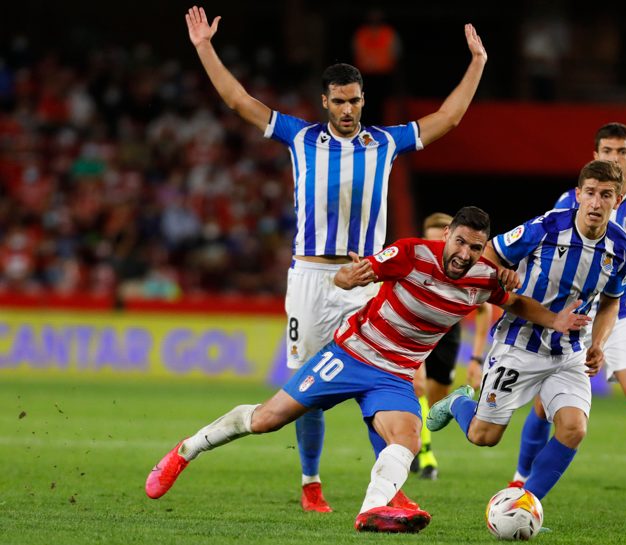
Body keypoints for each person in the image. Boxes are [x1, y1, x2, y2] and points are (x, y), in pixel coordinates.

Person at [183, 6, 488, 513]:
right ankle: (310, 481)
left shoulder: (384, 143)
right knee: (304, 388)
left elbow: (449, 118)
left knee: (389, 379)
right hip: (310, 277)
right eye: (340, 101)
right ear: (325, 102)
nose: (349, 110)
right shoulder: (300, 137)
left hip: (367, 277)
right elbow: (238, 100)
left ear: (364, 100)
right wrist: (203, 47)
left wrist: (476, 61)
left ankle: (392, 491)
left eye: (356, 101)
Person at [144, 206, 591, 533]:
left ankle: (373, 509)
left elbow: (515, 302)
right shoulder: (412, 253)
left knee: (409, 437)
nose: (465, 253)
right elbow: (353, 274)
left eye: (475, 247)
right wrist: (347, 277)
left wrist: (557, 320)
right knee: (265, 420)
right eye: (459, 242)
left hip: (395, 373)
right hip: (351, 355)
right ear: (447, 237)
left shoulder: (485, 279)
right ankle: (186, 450)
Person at [427, 160, 626, 505]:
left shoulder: (622, 248)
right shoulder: (548, 227)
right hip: (519, 343)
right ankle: (460, 402)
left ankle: (524, 506)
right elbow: (492, 251)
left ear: (618, 199)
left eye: (607, 195)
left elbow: (612, 301)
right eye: (592, 194)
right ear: (579, 195)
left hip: (569, 351)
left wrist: (598, 343)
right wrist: (502, 275)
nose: (597, 203)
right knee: (483, 436)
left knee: (573, 428)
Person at [510, 122, 626, 510]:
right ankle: (519, 479)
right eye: (606, 151)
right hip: (568, 314)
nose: (613, 158)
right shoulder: (569, 200)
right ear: (594, 156)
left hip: (620, 313)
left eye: (621, 152)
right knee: (544, 404)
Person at [411, 212, 493, 480]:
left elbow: (484, 310)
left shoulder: (466, 270)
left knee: (434, 405)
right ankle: (424, 455)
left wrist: (477, 359)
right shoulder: (414, 263)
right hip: (412, 333)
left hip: (446, 335)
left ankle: (420, 443)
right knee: (417, 385)